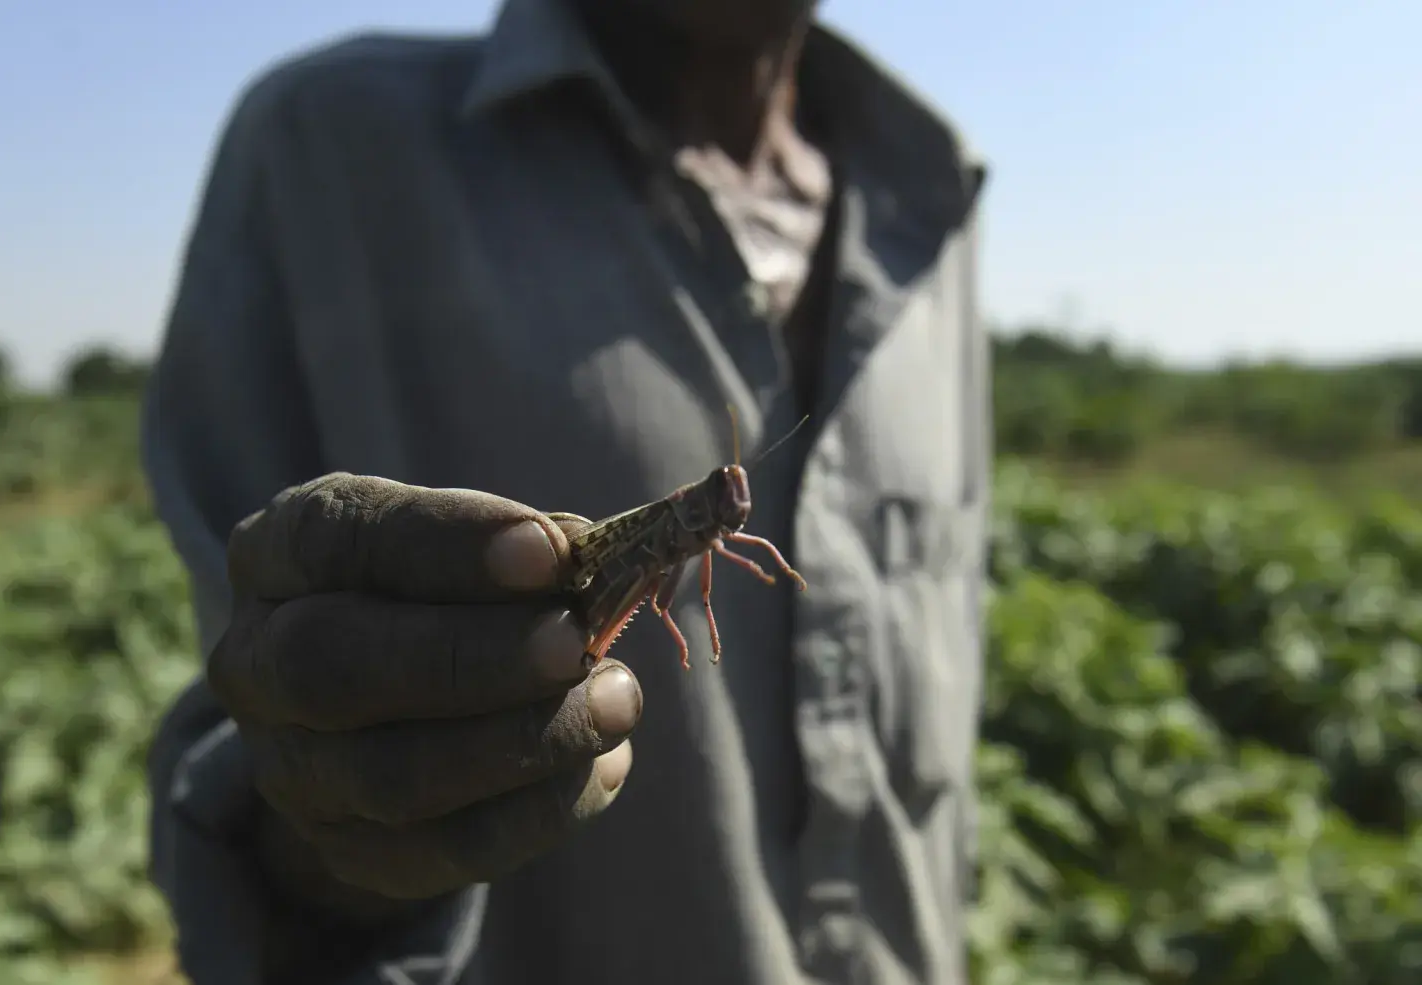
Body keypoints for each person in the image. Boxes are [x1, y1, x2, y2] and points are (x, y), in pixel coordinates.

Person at [140, 0, 989, 982]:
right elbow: (245, 707)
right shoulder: (327, 143)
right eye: (725, 487)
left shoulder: (934, 190)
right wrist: (337, 820)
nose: (734, 504)